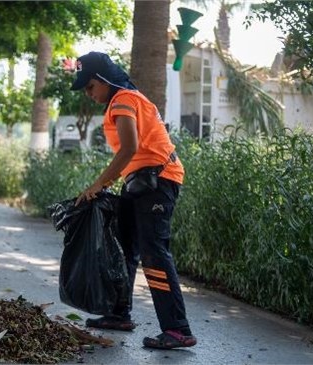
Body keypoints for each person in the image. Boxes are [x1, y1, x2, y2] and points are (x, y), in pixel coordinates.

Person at [71, 51, 197, 349]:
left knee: (154, 252)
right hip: (138, 181)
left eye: (90, 87)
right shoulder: (121, 101)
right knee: (123, 248)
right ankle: (119, 313)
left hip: (158, 180)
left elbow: (129, 148)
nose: (88, 94)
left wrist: (98, 184)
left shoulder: (125, 99)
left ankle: (178, 329)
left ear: (102, 79)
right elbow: (131, 155)